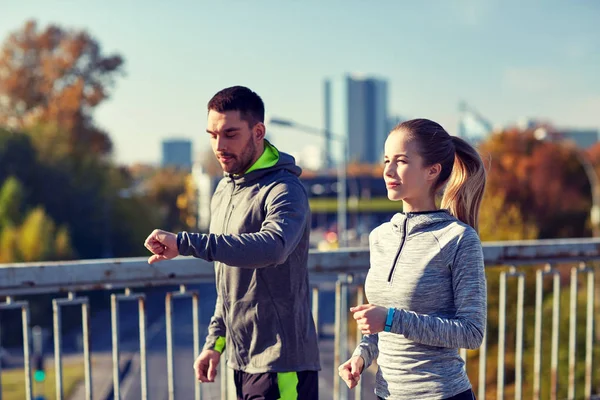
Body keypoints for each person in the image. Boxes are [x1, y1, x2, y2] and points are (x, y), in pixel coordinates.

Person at [144, 86, 320, 399]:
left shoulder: (284, 190)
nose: (219, 146)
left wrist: (185, 243)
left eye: (230, 134)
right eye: (212, 135)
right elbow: (230, 284)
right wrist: (215, 343)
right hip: (241, 361)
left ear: (258, 131)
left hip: (282, 365)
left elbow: (273, 247)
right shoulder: (224, 191)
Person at [338, 118, 487, 399]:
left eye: (401, 161)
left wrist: (392, 319)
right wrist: (361, 355)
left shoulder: (458, 238)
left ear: (432, 170)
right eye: (386, 161)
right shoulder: (380, 236)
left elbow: (471, 332)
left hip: (441, 393)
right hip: (386, 393)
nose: (388, 171)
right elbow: (381, 322)